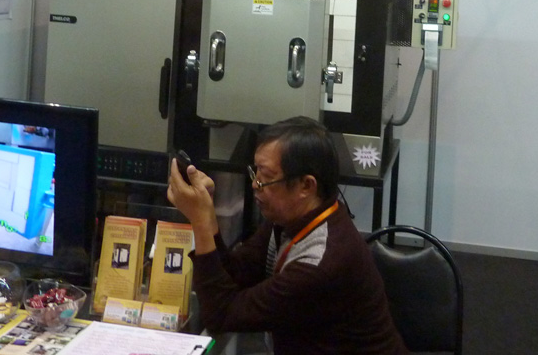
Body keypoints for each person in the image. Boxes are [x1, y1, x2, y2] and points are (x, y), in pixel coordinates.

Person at [167, 116, 408, 355]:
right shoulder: (290, 220)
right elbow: (236, 276)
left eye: (266, 178)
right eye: (255, 172)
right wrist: (207, 216)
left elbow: (221, 315)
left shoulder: (320, 264)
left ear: (306, 186)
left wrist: (199, 221)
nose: (255, 185)